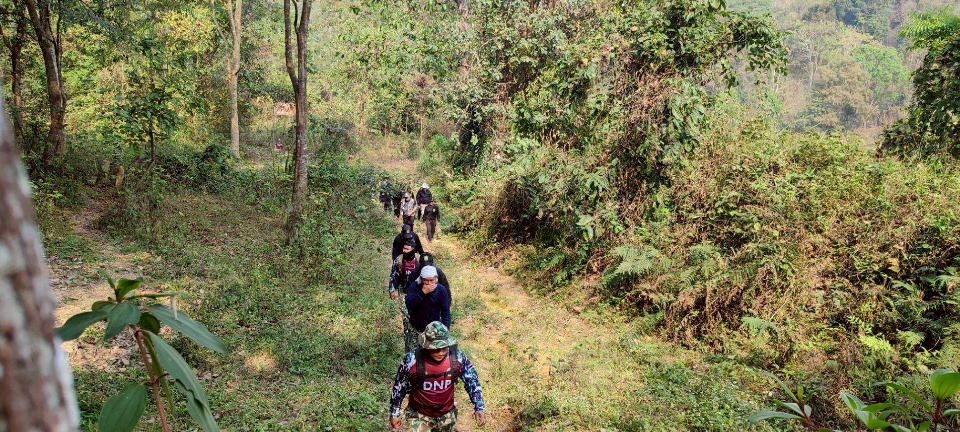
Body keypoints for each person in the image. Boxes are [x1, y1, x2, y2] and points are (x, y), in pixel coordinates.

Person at [389, 321, 486, 431]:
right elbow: (399, 387)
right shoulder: (411, 360)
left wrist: (479, 407)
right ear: (426, 346)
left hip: (446, 415)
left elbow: (472, 380)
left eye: (444, 348)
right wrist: (394, 412)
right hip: (418, 416)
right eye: (436, 349)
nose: (440, 353)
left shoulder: (457, 357)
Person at [404, 266, 451, 353]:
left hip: (434, 330)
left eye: (431, 280)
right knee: (413, 354)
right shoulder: (415, 286)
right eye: (426, 280)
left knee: (432, 355)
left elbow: (445, 312)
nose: (429, 283)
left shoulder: (441, 290)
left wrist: (445, 330)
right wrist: (423, 292)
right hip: (415, 327)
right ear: (421, 279)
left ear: (436, 278)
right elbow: (409, 304)